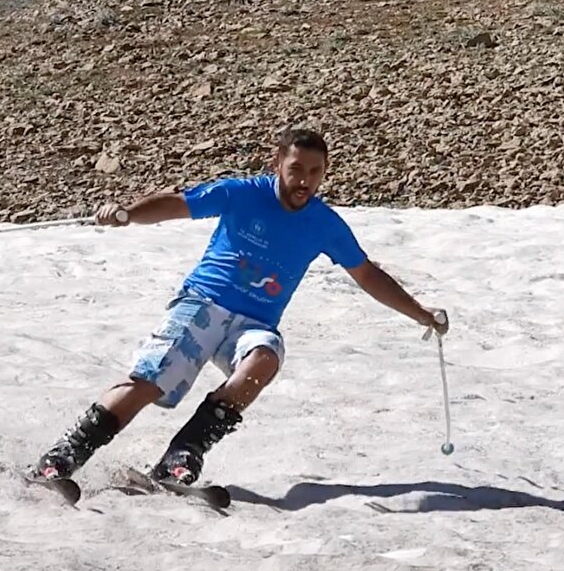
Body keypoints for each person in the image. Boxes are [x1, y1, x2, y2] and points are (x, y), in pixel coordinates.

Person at [27, 128, 449, 486]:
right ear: (278, 163)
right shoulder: (241, 193)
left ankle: (182, 454)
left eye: (315, 172)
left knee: (264, 358)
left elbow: (367, 274)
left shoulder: (325, 224)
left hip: (254, 323)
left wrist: (421, 314)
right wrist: (127, 215)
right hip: (203, 303)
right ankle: (63, 456)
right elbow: (179, 203)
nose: (305, 181)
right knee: (153, 378)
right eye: (296, 169)